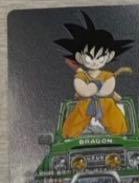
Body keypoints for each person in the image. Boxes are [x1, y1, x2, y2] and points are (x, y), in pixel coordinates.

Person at [54, 11, 134, 139]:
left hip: (107, 106)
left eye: (100, 57)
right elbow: (84, 90)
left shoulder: (108, 76)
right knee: (70, 131)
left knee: (119, 128)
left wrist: (94, 89)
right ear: (79, 57)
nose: (95, 61)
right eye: (89, 57)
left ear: (109, 56)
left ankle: (119, 135)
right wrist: (92, 88)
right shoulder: (81, 76)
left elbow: (105, 90)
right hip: (83, 107)